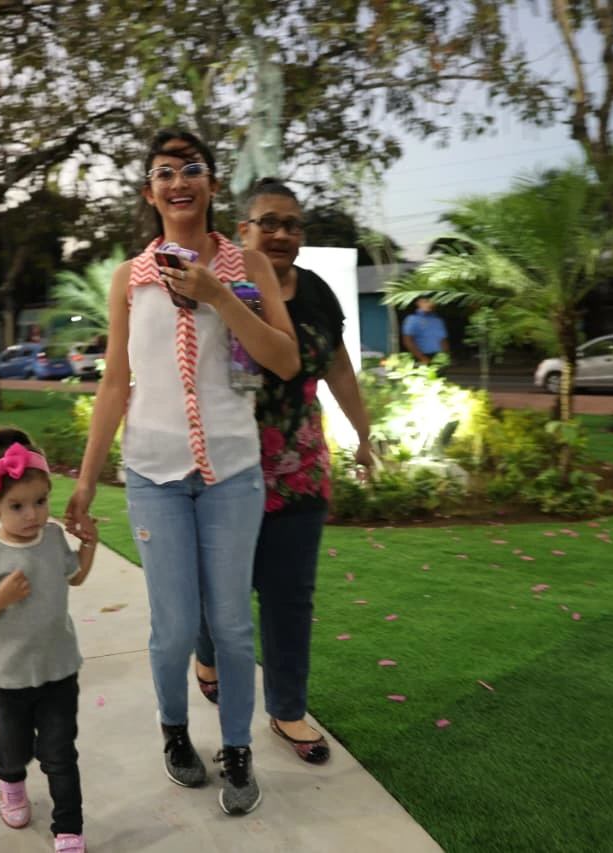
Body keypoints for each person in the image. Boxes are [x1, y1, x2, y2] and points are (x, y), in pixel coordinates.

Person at [63, 129, 300, 817]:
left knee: (231, 625)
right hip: (153, 472)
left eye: (191, 168)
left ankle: (237, 748)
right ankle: (174, 731)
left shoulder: (247, 264)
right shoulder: (128, 279)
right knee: (173, 626)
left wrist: (219, 295)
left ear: (212, 185)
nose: (178, 181)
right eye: (164, 172)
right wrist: (86, 479)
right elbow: (115, 382)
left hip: (232, 471)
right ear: (150, 193)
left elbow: (284, 360)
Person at [192, 178, 374, 764]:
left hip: (300, 468)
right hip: (228, 464)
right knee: (221, 587)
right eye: (268, 221)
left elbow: (338, 368)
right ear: (242, 229)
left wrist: (363, 435)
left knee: (290, 595)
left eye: (292, 224)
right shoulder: (219, 285)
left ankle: (288, 709)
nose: (280, 234)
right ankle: (206, 653)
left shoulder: (316, 292)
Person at [0, 427, 97, 853]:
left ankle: (68, 828)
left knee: (60, 754)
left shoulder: (53, 537)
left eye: (40, 501)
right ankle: (12, 786)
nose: (32, 514)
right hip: (11, 677)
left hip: (59, 669)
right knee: (14, 750)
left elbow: (75, 577)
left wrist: (89, 544)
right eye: (16, 506)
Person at [402, 294, 450, 363]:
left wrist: (447, 356)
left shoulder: (438, 320)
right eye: (424, 302)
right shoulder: (412, 319)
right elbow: (407, 341)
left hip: (439, 358)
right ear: (418, 303)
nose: (428, 304)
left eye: (430, 302)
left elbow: (443, 340)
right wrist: (423, 358)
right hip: (421, 357)